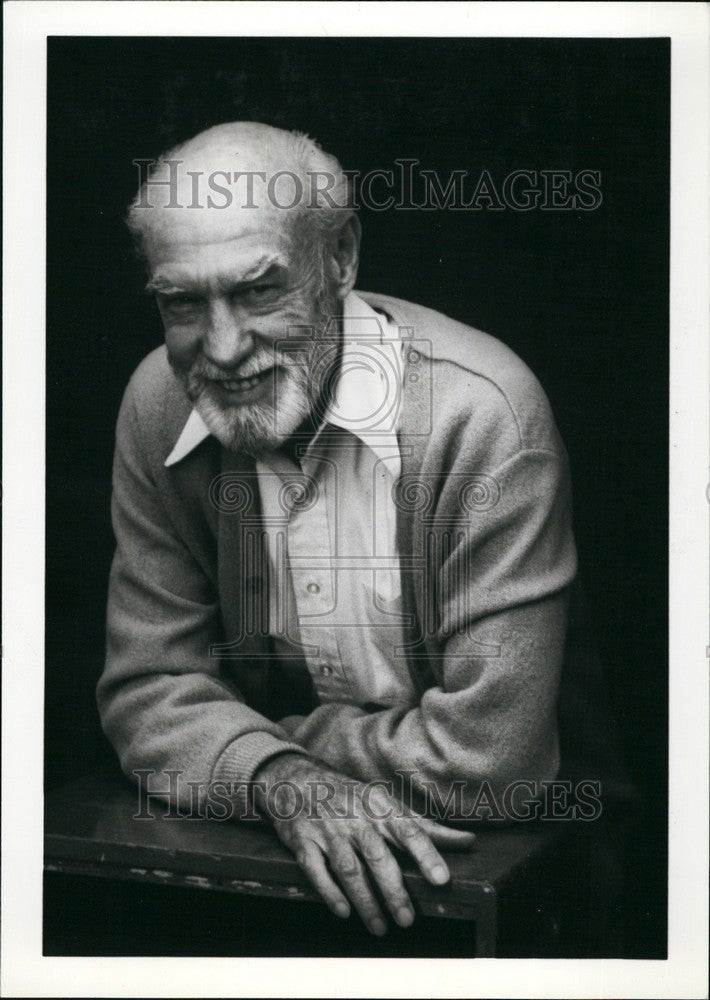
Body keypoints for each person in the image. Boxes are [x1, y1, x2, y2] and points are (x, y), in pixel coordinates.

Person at [98, 121, 579, 937]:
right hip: (269, 872)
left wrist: (250, 750)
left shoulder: (483, 415)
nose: (222, 348)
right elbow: (145, 692)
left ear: (341, 259)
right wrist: (281, 779)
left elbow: (493, 762)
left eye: (258, 291)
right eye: (182, 302)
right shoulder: (157, 402)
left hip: (514, 872)